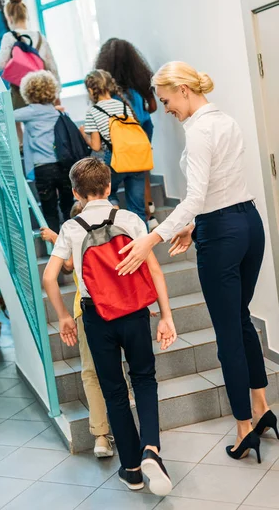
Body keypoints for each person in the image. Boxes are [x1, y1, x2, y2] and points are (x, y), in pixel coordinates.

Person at [116, 61, 275, 464]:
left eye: (167, 100)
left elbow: (194, 196)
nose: (165, 108)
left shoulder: (199, 130)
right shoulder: (226, 120)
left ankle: (243, 429)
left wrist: (152, 237)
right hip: (248, 222)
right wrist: (191, 226)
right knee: (241, 319)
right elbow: (219, 187)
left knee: (228, 333)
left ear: (184, 89)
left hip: (221, 232)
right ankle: (262, 409)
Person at [43, 157, 176, 495]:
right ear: (109, 187)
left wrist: (62, 317)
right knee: (144, 380)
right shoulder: (130, 219)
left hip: (96, 317)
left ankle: (131, 470)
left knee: (114, 391)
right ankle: (151, 451)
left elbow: (49, 277)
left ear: (75, 192)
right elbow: (155, 271)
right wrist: (166, 315)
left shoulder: (72, 228)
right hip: (133, 312)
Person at [40, 201, 137, 459]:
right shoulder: (117, 228)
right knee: (119, 371)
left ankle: (101, 435)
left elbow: (65, 267)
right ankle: (119, 431)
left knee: (91, 373)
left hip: (87, 311)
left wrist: (54, 238)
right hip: (119, 305)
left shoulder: (73, 231)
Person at [95, 38, 159, 230]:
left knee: (110, 182)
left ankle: (116, 219)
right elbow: (153, 107)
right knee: (142, 167)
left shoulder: (108, 94)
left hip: (118, 145)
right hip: (143, 131)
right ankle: (150, 210)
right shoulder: (139, 84)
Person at [81, 69, 147, 222]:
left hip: (114, 160)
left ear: (91, 90)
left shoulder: (93, 111)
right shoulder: (123, 106)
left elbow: (96, 147)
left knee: (106, 193)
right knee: (137, 209)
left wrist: (84, 134)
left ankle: (119, 223)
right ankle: (142, 242)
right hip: (134, 158)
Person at [14, 70, 72, 233]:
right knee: (67, 207)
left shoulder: (29, 112)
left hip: (43, 168)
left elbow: (6, 115)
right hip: (63, 165)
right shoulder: (56, 111)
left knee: (49, 211)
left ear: (27, 92)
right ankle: (73, 246)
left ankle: (56, 249)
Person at [0, 0, 60, 111]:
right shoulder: (40, 37)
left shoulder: (9, 37)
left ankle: (19, 130)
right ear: (26, 16)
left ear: (9, 18)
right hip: (42, 88)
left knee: (14, 117)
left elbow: (1, 63)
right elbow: (52, 67)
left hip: (20, 87)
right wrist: (57, 92)